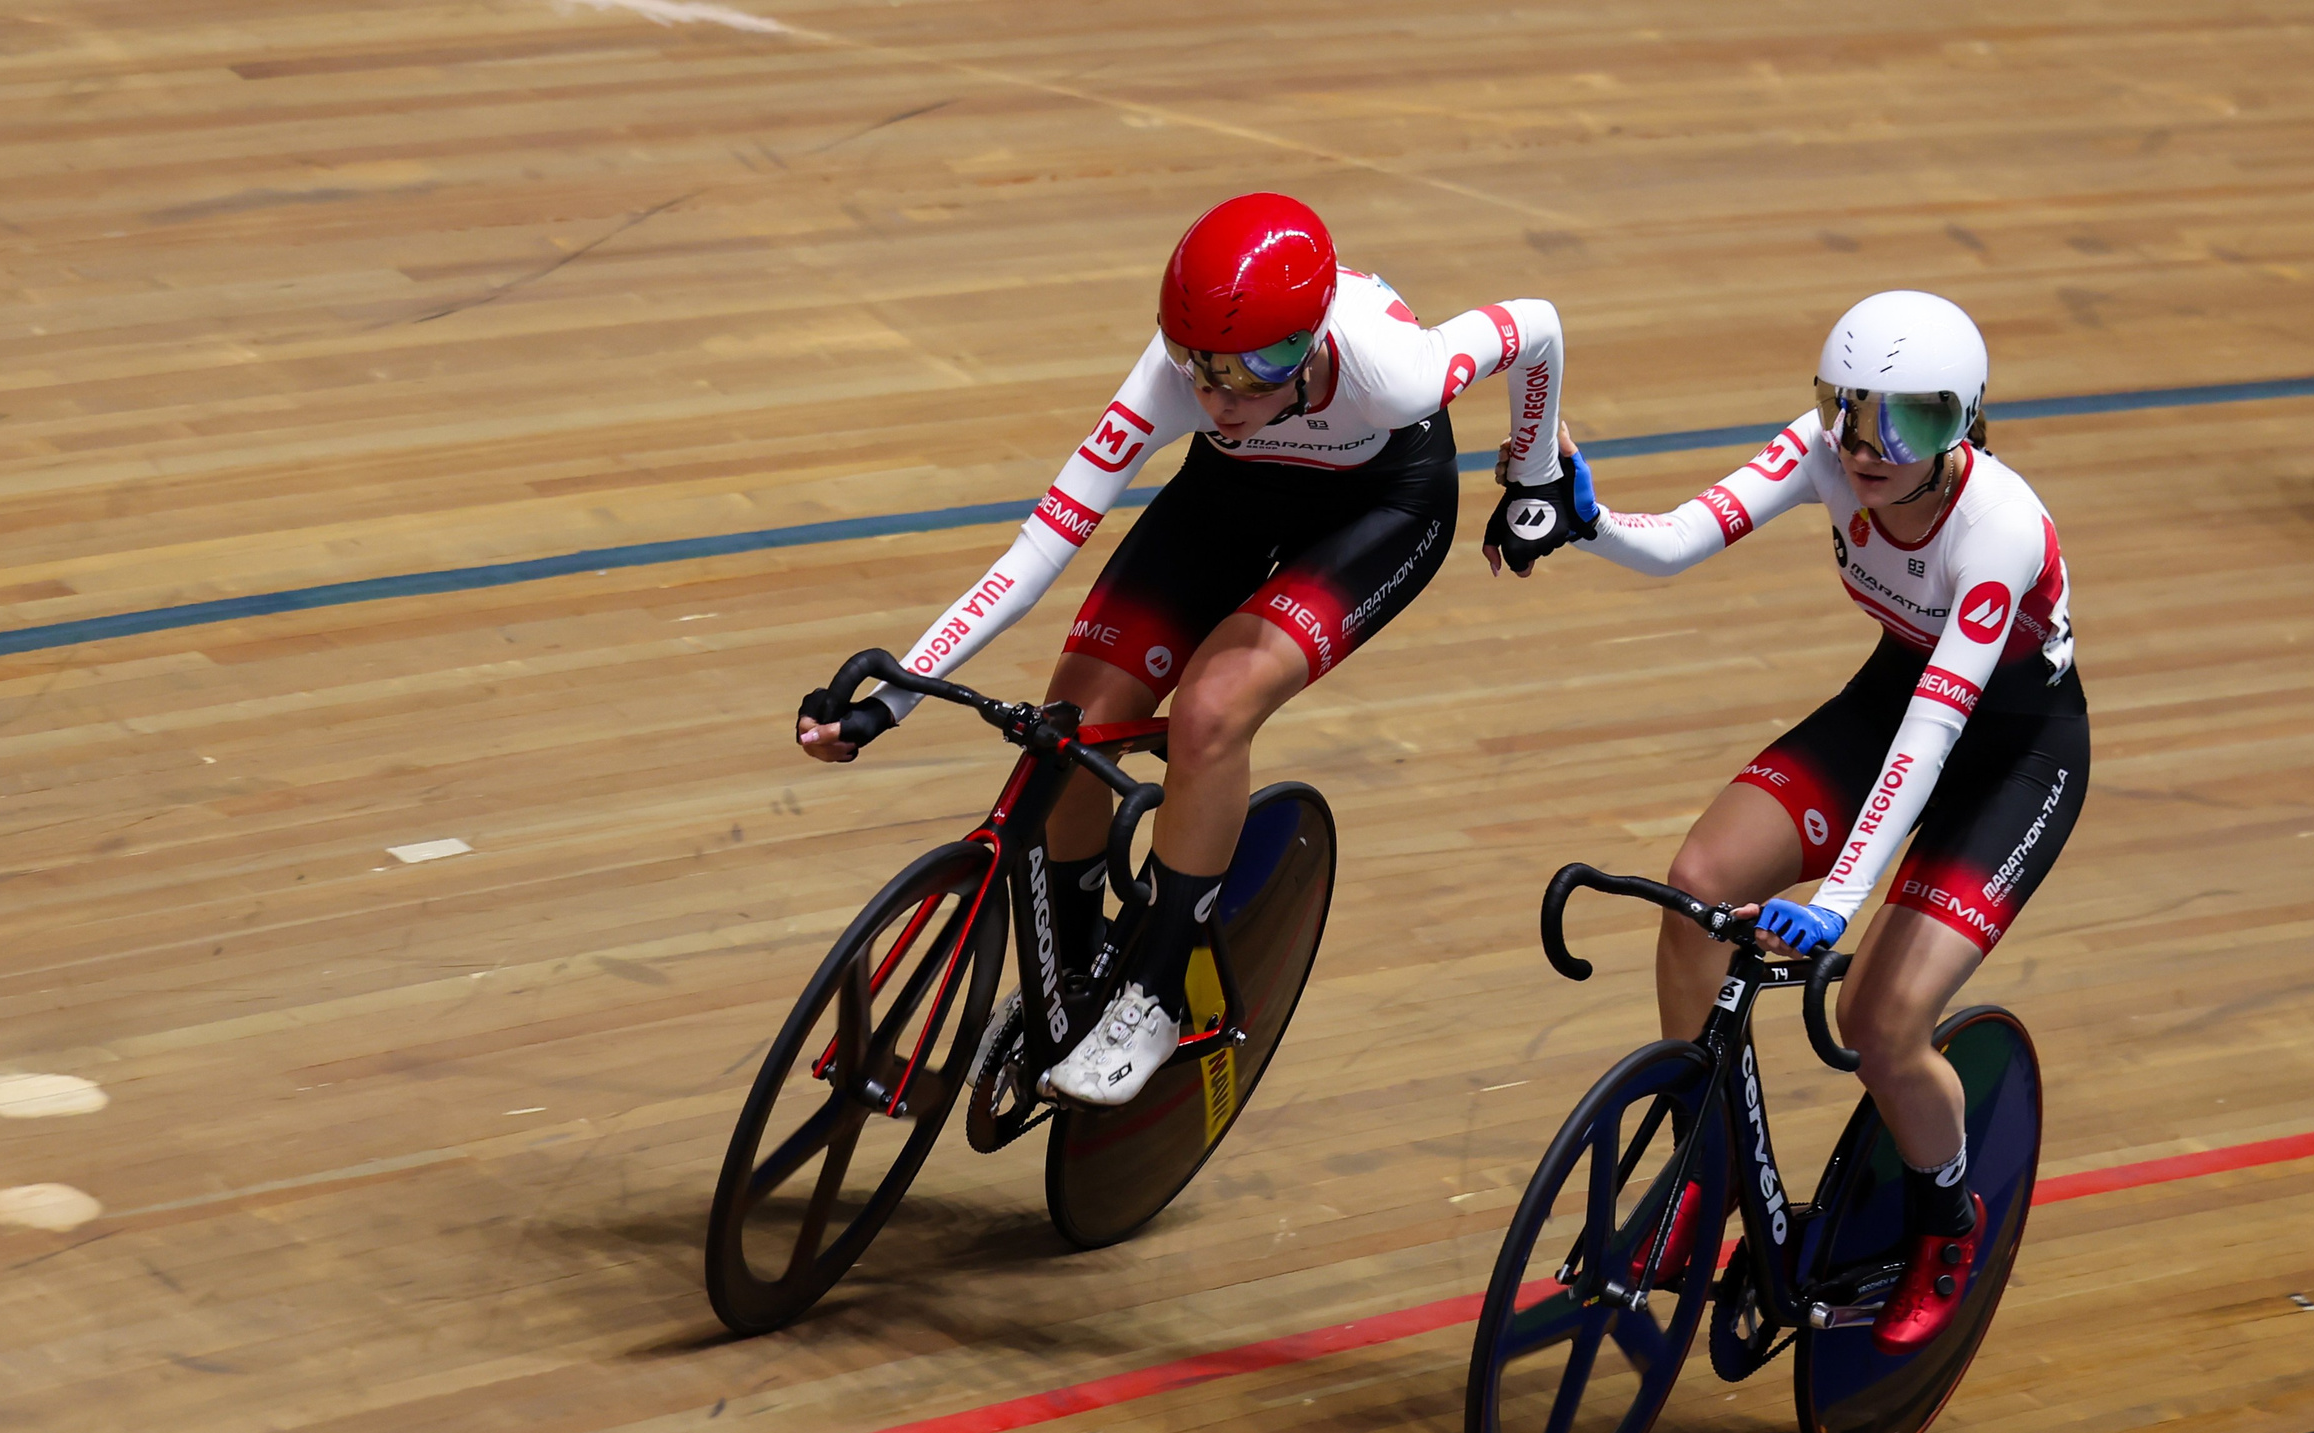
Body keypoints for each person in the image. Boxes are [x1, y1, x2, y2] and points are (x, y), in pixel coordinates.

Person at [797, 193, 1581, 1107]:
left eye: (1255, 373)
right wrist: (894, 697)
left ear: (1313, 341)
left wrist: (1535, 474)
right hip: (1233, 493)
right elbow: (1037, 551)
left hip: (1381, 508)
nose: (1218, 398)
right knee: (1073, 728)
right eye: (1200, 371)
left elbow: (1539, 328)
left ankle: (1156, 992)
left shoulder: (1392, 371)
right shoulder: (1177, 382)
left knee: (1212, 708)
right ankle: (1078, 979)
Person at [1552, 290, 2086, 1352]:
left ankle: (1946, 1224)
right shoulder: (1827, 454)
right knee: (1699, 882)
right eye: (1849, 410)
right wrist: (1592, 525)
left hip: (2007, 759)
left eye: (1909, 422)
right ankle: (1702, 1180)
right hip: (1893, 702)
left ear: (1964, 424)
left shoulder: (2000, 529)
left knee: (1878, 1027)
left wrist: (1839, 900)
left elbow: (1932, 739)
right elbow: (1681, 540)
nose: (1868, 445)